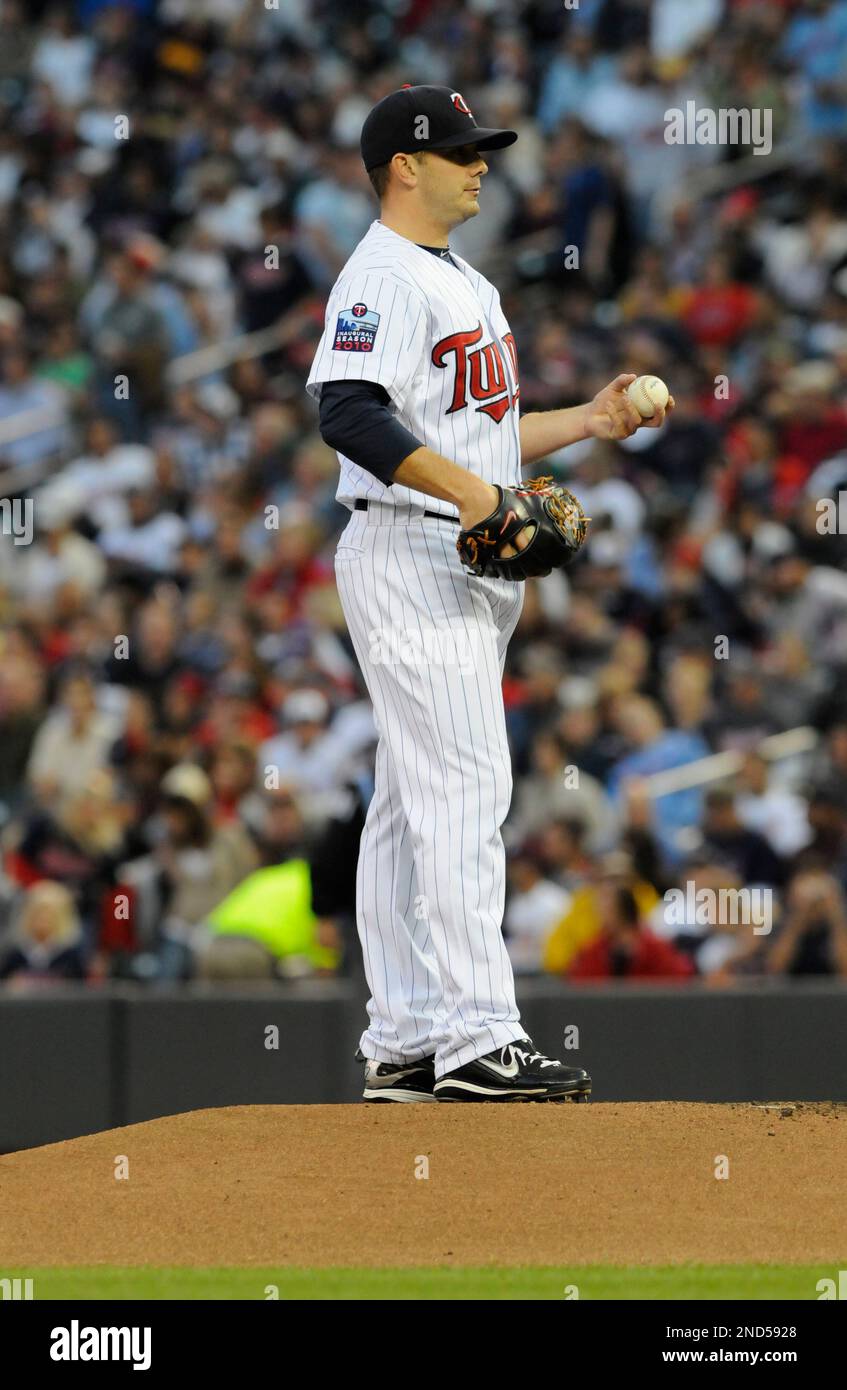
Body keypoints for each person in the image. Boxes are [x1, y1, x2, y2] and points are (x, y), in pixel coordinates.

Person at [305, 85, 671, 1102]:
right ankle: (478, 1036)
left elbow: (480, 435)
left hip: (453, 554)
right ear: (403, 167)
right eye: (460, 149)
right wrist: (476, 495)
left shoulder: (460, 275)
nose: (480, 162)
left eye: (481, 147)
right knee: (466, 787)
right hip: (413, 550)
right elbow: (347, 410)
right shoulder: (379, 272)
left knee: (406, 799)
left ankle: (407, 1036)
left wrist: (586, 423)